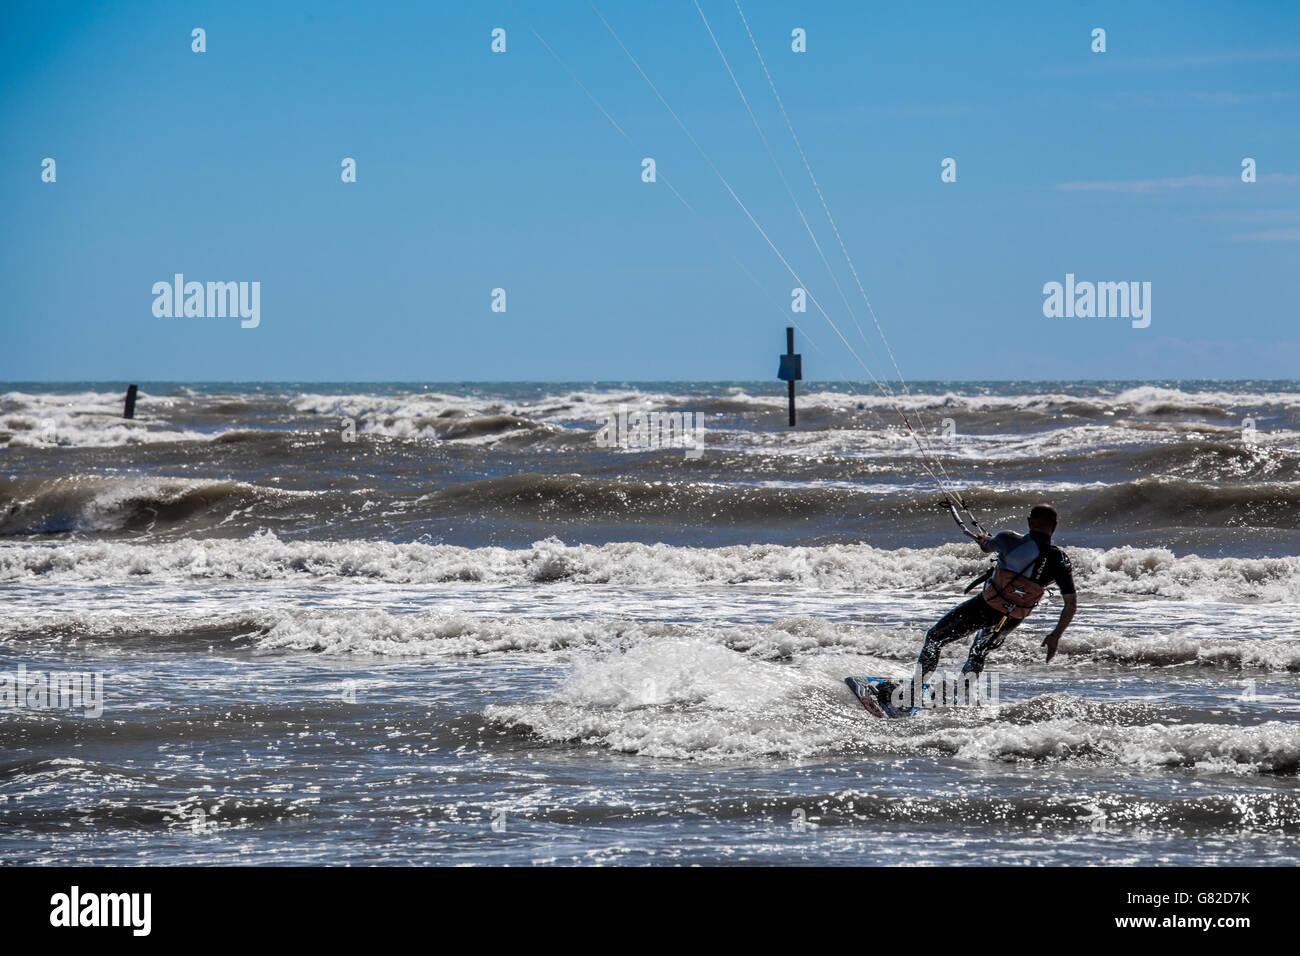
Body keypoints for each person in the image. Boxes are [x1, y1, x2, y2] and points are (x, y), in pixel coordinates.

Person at [882, 503, 1077, 711]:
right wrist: (1055, 635)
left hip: (986, 607)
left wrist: (984, 540)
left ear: (1029, 521)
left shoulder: (1008, 539)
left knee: (934, 638)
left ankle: (912, 693)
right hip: (1012, 617)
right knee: (978, 652)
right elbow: (1071, 604)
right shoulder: (1060, 560)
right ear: (1054, 526)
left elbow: (987, 546)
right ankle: (953, 701)